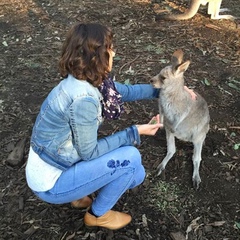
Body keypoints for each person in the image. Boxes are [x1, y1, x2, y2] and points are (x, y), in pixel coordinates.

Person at [25, 22, 194, 230]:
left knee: (136, 172)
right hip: (51, 183)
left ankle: (77, 196)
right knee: (132, 162)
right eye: (109, 48)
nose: (113, 52)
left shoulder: (85, 80)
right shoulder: (83, 99)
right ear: (96, 56)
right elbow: (89, 152)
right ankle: (97, 215)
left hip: (56, 160)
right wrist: (135, 132)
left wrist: (171, 90)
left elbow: (127, 91)